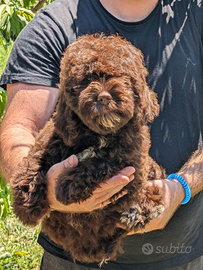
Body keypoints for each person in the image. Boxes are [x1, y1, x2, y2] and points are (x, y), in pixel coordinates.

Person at [0, 0, 203, 269]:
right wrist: (44, 190)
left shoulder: (195, 15)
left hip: (183, 254)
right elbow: (18, 129)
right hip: (71, 257)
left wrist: (181, 188)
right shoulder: (53, 24)